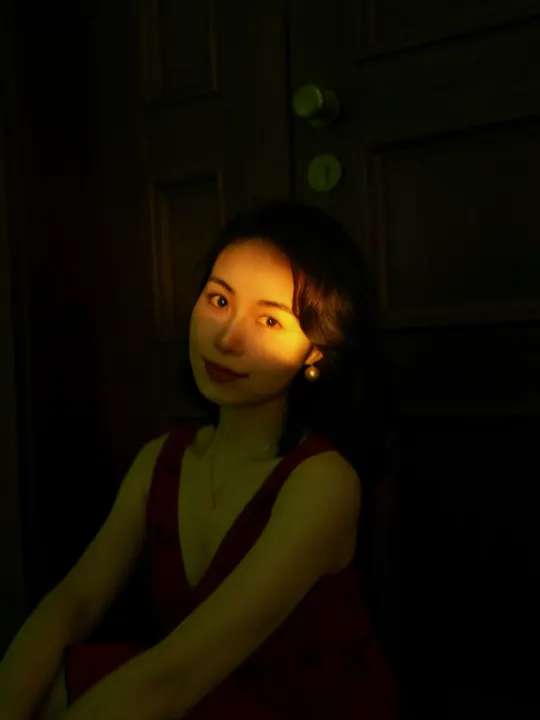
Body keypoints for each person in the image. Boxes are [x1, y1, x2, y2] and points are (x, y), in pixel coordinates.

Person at [0, 200, 404, 719]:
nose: (227, 338)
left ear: (315, 352)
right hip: (198, 696)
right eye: (219, 300)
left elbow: (179, 674)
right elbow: (72, 603)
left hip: (297, 709)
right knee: (48, 682)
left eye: (270, 320)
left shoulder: (322, 481)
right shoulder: (161, 462)